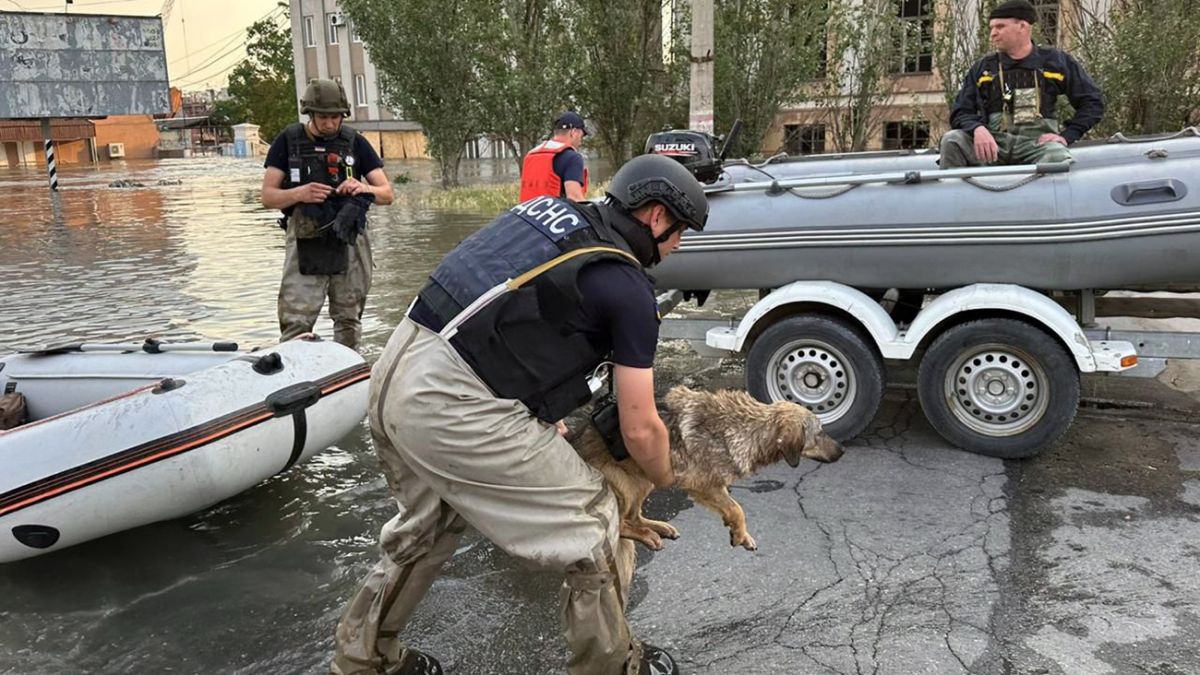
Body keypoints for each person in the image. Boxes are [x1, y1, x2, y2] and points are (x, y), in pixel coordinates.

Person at [331, 154, 709, 675]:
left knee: (423, 529)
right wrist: (670, 476)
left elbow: (506, 310)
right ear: (657, 217)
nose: (678, 246)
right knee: (595, 516)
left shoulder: (545, 212)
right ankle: (613, 665)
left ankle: (364, 660)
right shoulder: (626, 287)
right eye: (681, 231)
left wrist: (527, 408)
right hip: (453, 404)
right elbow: (640, 427)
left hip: (400, 364)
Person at [261, 78, 394, 352]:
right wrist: (299, 194)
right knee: (296, 319)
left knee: (348, 317)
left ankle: (348, 369)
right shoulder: (287, 142)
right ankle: (293, 370)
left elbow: (387, 194)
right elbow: (268, 197)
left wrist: (362, 187)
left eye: (335, 117)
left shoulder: (355, 143)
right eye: (323, 117)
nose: (330, 124)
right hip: (305, 238)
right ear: (310, 114)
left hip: (349, 239)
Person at [939, 0, 1104, 168]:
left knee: (1057, 157)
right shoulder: (983, 68)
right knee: (952, 140)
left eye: (1000, 27)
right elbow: (960, 111)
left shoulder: (1057, 62)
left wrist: (1068, 135)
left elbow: (1092, 102)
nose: (993, 34)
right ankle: (954, 194)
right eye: (991, 28)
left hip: (1035, 146)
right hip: (994, 146)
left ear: (1023, 27)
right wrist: (977, 129)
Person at [519, 110, 589, 202]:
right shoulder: (572, 158)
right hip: (555, 215)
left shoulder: (531, 155)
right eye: (581, 135)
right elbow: (574, 198)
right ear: (574, 132)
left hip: (526, 215)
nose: (581, 141)